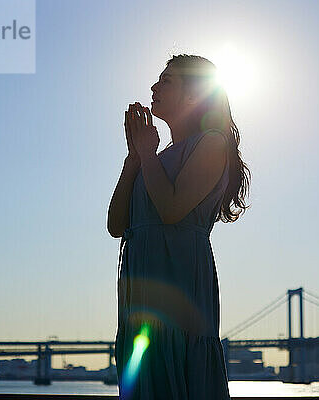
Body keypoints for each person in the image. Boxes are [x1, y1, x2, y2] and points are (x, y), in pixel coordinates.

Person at [107, 54, 251, 400]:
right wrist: (134, 160)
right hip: (140, 293)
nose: (154, 87)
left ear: (193, 95)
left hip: (180, 284)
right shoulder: (153, 156)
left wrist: (147, 154)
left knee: (176, 372)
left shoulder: (211, 143)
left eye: (166, 81)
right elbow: (116, 225)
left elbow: (171, 210)